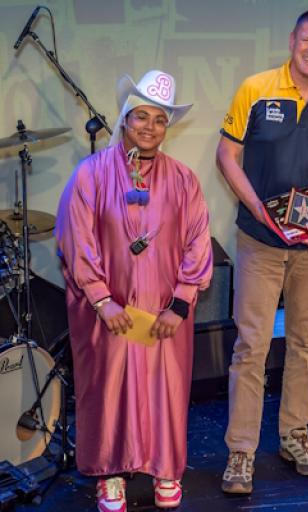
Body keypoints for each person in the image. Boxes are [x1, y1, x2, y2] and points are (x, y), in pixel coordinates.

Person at [55, 69, 212, 511]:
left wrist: (180, 304)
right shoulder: (90, 175)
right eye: (140, 117)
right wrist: (102, 300)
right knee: (109, 390)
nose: (149, 127)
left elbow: (198, 240)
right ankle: (111, 475)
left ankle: (164, 468)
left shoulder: (183, 180)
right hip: (108, 312)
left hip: (165, 312)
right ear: (125, 119)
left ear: (167, 127)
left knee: (166, 388)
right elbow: (76, 238)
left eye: (159, 120)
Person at [216, 9, 308, 494]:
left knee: (304, 342)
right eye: (306, 40)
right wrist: (255, 205)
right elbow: (226, 155)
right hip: (259, 241)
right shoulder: (255, 88)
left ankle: (295, 433)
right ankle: (240, 451)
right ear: (293, 40)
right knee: (251, 345)